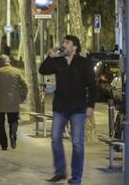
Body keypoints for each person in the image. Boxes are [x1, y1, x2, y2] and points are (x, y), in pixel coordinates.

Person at [39, 35, 97, 184]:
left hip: (78, 108)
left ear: (75, 47)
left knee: (77, 143)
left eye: (67, 42)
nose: (63, 44)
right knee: (55, 138)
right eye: (63, 42)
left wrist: (91, 105)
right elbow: (42, 70)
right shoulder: (58, 61)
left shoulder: (84, 63)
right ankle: (60, 172)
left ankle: (76, 177)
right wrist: (50, 56)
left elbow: (92, 85)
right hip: (60, 106)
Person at [0, 55, 27, 150]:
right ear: (9, 61)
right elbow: (25, 85)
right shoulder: (16, 72)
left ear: (0, 62)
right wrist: (23, 97)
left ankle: (4, 145)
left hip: (0, 103)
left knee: (0, 125)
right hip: (13, 102)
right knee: (13, 121)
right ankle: (13, 134)